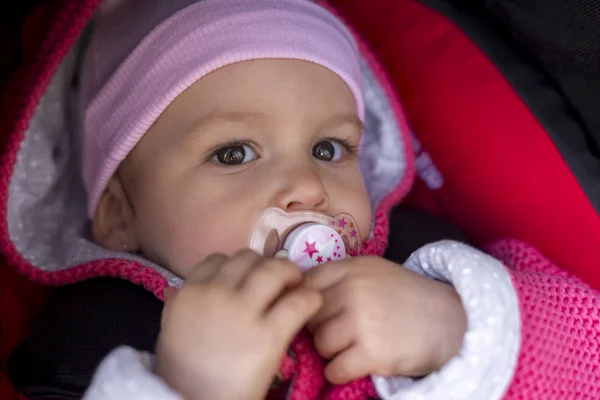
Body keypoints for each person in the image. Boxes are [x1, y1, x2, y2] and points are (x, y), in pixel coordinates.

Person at [5, 0, 597, 399]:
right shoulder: (97, 340)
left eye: (330, 148)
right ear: (120, 214)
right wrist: (191, 385)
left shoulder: (425, 260)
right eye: (234, 153)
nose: (309, 188)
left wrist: (459, 330)